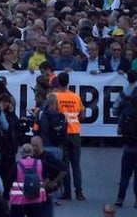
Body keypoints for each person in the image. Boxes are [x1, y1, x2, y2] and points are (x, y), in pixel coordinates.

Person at [51, 72, 84, 201]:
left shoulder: (55, 97)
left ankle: (67, 192)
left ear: (58, 82)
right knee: (76, 164)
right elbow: (82, 115)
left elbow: (52, 114)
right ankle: (79, 192)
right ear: (68, 82)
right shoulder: (75, 96)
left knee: (64, 163)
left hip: (62, 133)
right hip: (75, 132)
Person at [8, 143, 47, 216]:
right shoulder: (40, 163)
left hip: (19, 199)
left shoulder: (17, 165)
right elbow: (45, 178)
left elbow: (9, 181)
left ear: (21, 153)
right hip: (37, 198)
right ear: (32, 152)